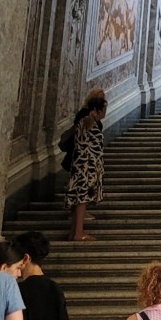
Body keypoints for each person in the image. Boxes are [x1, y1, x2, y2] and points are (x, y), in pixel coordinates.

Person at [65, 94, 107, 240]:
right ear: (97, 109)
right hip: (85, 166)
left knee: (80, 199)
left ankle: (74, 232)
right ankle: (78, 233)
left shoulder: (89, 121)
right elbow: (88, 122)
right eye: (104, 109)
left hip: (84, 164)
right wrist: (92, 115)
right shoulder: (88, 119)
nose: (105, 112)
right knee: (82, 198)